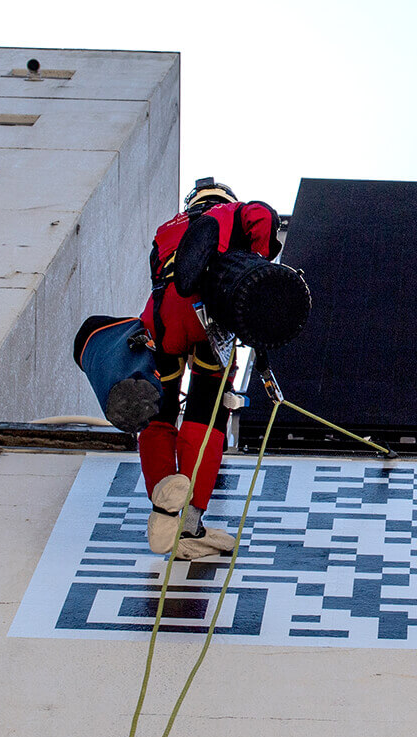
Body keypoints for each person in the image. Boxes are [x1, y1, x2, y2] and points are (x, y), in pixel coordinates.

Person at [135, 179, 283, 559]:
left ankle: (163, 502)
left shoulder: (165, 229)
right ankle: (190, 522)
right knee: (208, 408)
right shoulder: (231, 212)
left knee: (159, 412)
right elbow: (263, 215)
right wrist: (257, 263)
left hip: (158, 320)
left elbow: (157, 273)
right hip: (208, 317)